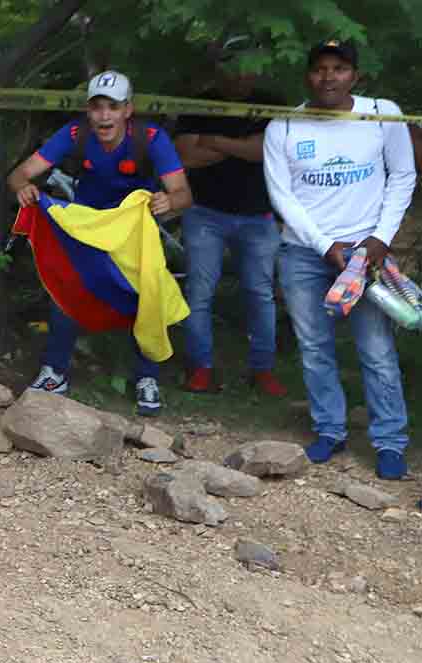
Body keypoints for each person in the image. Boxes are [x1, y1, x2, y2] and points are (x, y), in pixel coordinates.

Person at [264, 40, 416, 479]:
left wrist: (379, 238)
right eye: (320, 69)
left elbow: (403, 175)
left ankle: (389, 441)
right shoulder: (285, 126)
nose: (328, 77)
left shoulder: (381, 113)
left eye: (340, 68)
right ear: (308, 75)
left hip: (367, 255)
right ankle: (329, 430)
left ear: (355, 75)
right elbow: (282, 196)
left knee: (377, 350)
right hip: (305, 254)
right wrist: (324, 245)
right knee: (314, 349)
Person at [7, 69, 193, 416]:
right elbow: (20, 173)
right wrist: (23, 187)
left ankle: (147, 378)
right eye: (96, 107)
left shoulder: (150, 137)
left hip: (134, 231)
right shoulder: (75, 134)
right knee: (68, 288)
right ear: (88, 111)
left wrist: (170, 201)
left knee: (145, 293)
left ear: (128, 110)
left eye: (113, 106)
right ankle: (55, 371)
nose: (104, 115)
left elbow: (184, 193)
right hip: (87, 224)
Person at [172, 37, 287, 397]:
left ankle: (263, 369)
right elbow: (185, 156)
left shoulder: (272, 102)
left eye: (248, 66)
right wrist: (243, 147)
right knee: (199, 292)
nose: (241, 74)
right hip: (203, 213)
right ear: (220, 67)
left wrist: (215, 142)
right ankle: (201, 367)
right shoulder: (199, 102)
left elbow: (265, 151)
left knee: (260, 294)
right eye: (232, 65)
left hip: (259, 216)